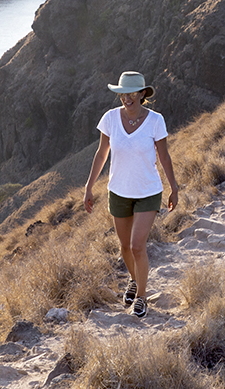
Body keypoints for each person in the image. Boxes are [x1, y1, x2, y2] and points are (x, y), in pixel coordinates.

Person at [83, 71, 178, 318]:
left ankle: (141, 297)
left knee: (137, 246)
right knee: (124, 246)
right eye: (123, 94)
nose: (127, 98)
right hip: (119, 191)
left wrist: (174, 187)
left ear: (142, 93)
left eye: (132, 93)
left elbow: (164, 156)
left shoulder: (155, 121)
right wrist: (89, 187)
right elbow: (101, 154)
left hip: (148, 191)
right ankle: (135, 280)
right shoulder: (110, 118)